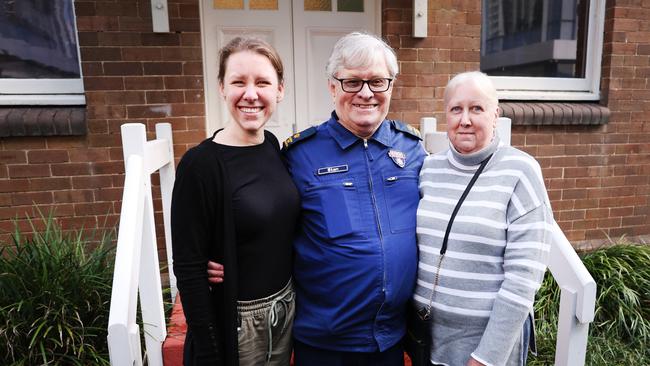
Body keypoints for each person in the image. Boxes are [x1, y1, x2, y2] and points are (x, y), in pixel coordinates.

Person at [283, 32, 427, 365]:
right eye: (352, 82)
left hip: (391, 340)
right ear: (333, 87)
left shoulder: (413, 150)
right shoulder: (300, 156)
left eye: (377, 81)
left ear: (391, 86)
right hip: (325, 344)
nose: (366, 93)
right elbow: (265, 218)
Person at [171, 37, 300, 366]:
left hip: (284, 307)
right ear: (221, 88)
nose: (251, 94)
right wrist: (210, 348)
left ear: (280, 90)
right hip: (240, 321)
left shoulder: (272, 146)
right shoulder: (200, 165)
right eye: (238, 82)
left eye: (263, 82)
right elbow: (188, 268)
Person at [413, 71, 552, 366]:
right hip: (426, 335)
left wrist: (487, 357)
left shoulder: (521, 172)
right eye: (456, 109)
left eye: (476, 108)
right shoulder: (429, 169)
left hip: (486, 341)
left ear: (495, 114)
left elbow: (523, 278)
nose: (465, 119)